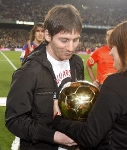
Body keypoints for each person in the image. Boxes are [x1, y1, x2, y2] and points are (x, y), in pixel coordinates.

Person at [52, 18, 127, 150]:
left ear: (126, 48)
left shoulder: (119, 82)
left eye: (114, 46)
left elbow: (89, 136)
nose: (110, 51)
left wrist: (58, 120)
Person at [5, 4, 84, 150]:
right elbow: (14, 120)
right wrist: (54, 137)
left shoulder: (77, 64)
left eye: (76, 39)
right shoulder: (29, 71)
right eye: (64, 40)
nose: (71, 48)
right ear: (48, 35)